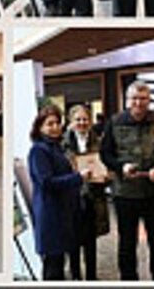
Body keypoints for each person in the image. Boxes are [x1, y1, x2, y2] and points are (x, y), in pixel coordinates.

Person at [99, 81, 154, 280]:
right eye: (134, 98)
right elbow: (106, 153)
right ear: (127, 100)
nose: (139, 103)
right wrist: (121, 167)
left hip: (153, 192)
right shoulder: (115, 121)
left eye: (143, 98)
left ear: (149, 100)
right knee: (127, 243)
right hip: (125, 193)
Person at [28, 105, 91, 280]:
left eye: (57, 123)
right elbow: (46, 182)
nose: (55, 127)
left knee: (60, 263)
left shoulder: (57, 147)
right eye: (50, 124)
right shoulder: (38, 150)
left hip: (64, 212)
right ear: (40, 126)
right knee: (53, 266)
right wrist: (77, 178)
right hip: (51, 214)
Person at [62, 105, 108, 280]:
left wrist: (105, 177)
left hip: (93, 197)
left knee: (91, 241)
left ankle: (91, 277)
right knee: (73, 241)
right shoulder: (62, 143)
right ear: (71, 122)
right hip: (71, 198)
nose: (82, 123)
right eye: (78, 119)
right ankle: (75, 277)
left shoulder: (99, 141)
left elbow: (106, 167)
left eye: (85, 119)